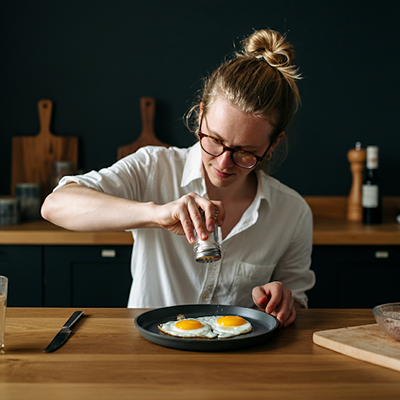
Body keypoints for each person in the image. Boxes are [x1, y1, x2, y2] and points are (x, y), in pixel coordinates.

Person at [41, 29, 315, 328]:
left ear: (273, 144)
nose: (224, 162)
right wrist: (156, 214)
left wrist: (284, 301)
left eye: (246, 152)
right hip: (150, 357)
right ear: (200, 116)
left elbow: (297, 303)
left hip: (239, 361)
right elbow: (55, 205)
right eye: (213, 140)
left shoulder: (292, 212)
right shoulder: (153, 166)